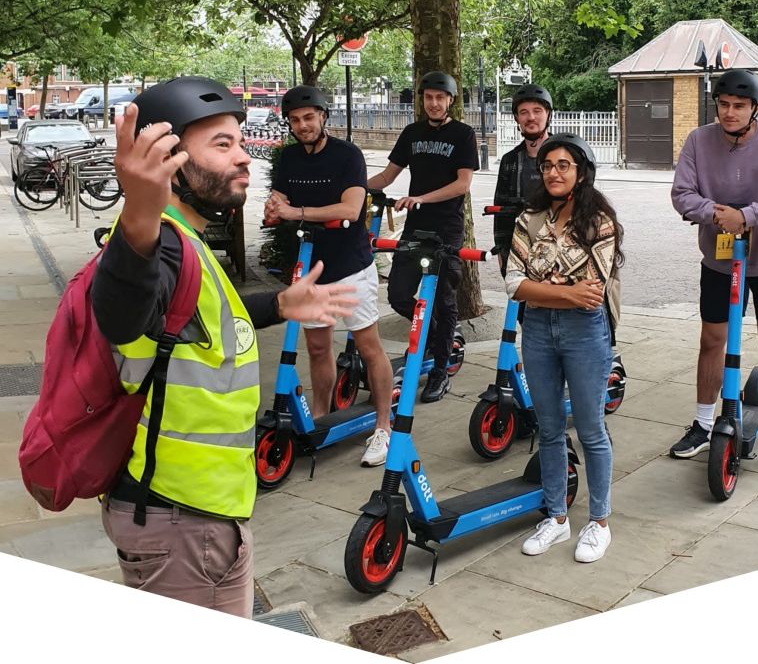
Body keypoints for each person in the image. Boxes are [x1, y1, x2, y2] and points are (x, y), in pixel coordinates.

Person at [92, 77, 356, 617]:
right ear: (168, 161)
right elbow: (121, 314)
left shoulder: (184, 240)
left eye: (240, 142)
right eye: (222, 144)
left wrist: (278, 304)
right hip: (182, 518)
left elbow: (191, 322)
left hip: (188, 511)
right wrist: (138, 212)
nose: (244, 157)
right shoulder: (158, 243)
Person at [670, 68, 758, 476]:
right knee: (712, 339)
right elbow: (682, 194)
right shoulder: (699, 140)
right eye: (724, 105)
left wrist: (747, 216)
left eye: (739, 106)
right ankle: (702, 423)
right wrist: (718, 214)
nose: (729, 113)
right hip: (719, 260)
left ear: (755, 108)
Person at [506, 133, 622, 562]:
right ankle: (557, 517)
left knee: (591, 430)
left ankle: (599, 522)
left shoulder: (600, 222)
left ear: (581, 172)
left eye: (563, 165)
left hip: (585, 332)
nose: (553, 173)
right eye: (547, 166)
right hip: (536, 329)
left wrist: (541, 288)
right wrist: (563, 290)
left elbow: (591, 294)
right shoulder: (529, 218)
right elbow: (512, 283)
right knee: (549, 428)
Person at [264, 85, 394, 467]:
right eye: (295, 120)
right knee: (318, 348)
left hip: (350, 267)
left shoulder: (347, 155)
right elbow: (280, 198)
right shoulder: (289, 157)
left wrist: (295, 212)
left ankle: (384, 427)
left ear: (323, 117)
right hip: (311, 269)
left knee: (369, 347)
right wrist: (275, 207)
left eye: (309, 117)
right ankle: (320, 418)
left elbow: (351, 209)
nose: (302, 125)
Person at [367, 71, 479, 402]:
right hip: (415, 227)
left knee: (444, 300)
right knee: (399, 294)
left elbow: (463, 184)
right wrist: (350, 187)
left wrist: (420, 198)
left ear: (450, 100)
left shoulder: (463, 135)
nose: (433, 103)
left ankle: (440, 370)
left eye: (440, 98)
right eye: (428, 97)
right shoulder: (412, 133)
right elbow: (387, 176)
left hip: (446, 228)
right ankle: (437, 336)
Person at [493, 83, 553, 276]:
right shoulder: (510, 161)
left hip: (558, 250)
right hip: (518, 249)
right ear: (517, 118)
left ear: (548, 114)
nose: (531, 117)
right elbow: (501, 211)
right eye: (524, 112)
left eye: (537, 111)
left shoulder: (566, 155)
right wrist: (501, 250)